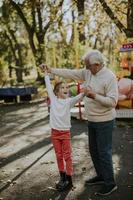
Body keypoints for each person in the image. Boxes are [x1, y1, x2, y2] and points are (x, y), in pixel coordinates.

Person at [42, 49, 119, 196]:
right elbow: (70, 73)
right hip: (92, 120)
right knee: (94, 150)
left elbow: (112, 102)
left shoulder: (109, 77)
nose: (86, 69)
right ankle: (101, 176)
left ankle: (110, 183)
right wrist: (51, 70)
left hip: (105, 121)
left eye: (88, 66)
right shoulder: (88, 72)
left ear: (97, 64)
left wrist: (93, 95)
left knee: (104, 152)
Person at [40, 64, 85, 191]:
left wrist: (85, 90)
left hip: (65, 133)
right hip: (55, 133)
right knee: (59, 156)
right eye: (63, 87)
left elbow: (80, 96)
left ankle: (69, 180)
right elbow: (48, 86)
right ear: (56, 91)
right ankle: (62, 177)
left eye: (67, 87)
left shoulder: (68, 102)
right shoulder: (53, 100)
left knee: (67, 156)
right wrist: (46, 74)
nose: (66, 89)